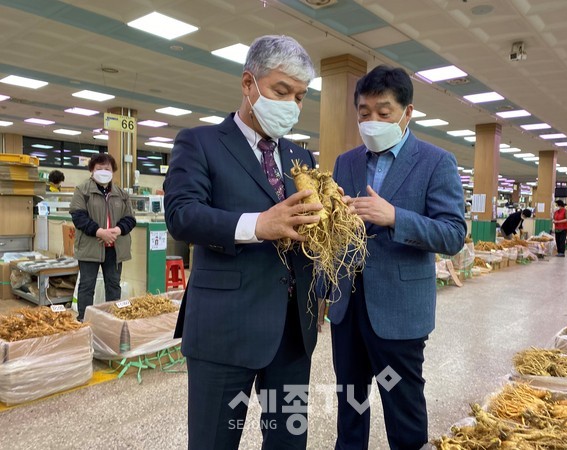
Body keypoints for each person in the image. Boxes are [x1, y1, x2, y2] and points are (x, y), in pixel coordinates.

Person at [163, 35, 322, 450]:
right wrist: (258, 224)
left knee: (288, 443)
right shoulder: (199, 143)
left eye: (300, 96)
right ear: (248, 84)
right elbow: (182, 215)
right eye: (281, 91)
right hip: (225, 328)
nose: (291, 105)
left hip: (292, 332)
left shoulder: (300, 157)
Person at [325, 65, 467, 450]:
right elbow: (337, 230)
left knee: (403, 408)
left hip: (399, 311)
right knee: (350, 404)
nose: (372, 121)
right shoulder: (347, 162)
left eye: (383, 112)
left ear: (407, 112)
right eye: (364, 113)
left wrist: (395, 218)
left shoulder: (436, 162)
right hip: (348, 307)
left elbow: (454, 234)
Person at [69, 154, 136, 321]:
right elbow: (78, 217)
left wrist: (118, 231)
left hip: (115, 247)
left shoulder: (121, 193)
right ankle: (84, 319)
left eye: (107, 168)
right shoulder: (82, 190)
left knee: (113, 285)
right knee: (86, 286)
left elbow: (130, 218)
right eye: (99, 168)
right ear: (92, 170)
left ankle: (111, 320)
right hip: (90, 246)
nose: (103, 171)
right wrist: (100, 232)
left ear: (113, 171)